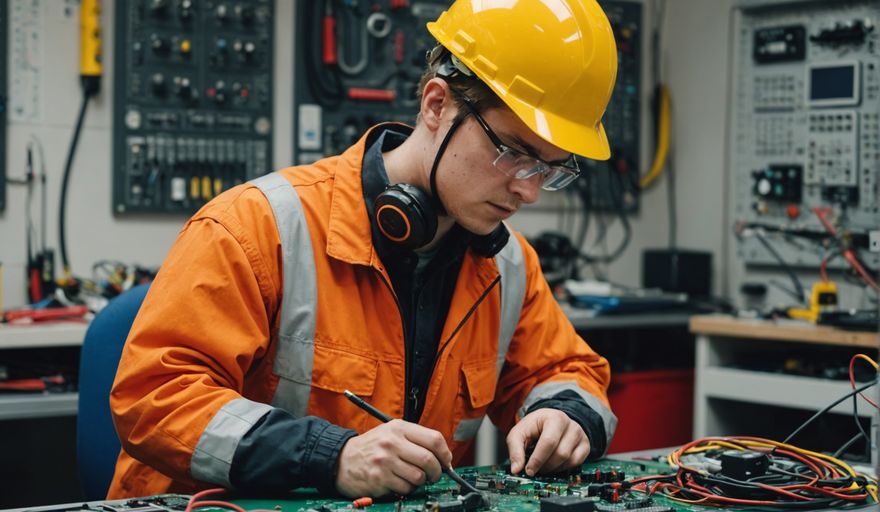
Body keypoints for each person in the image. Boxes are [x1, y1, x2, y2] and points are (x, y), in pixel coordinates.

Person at [108, 0, 619, 500]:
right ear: (437, 105)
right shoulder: (258, 226)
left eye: (548, 169)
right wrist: (329, 456)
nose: (528, 191)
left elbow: (565, 371)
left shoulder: (507, 266)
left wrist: (566, 417)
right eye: (513, 152)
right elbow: (155, 399)